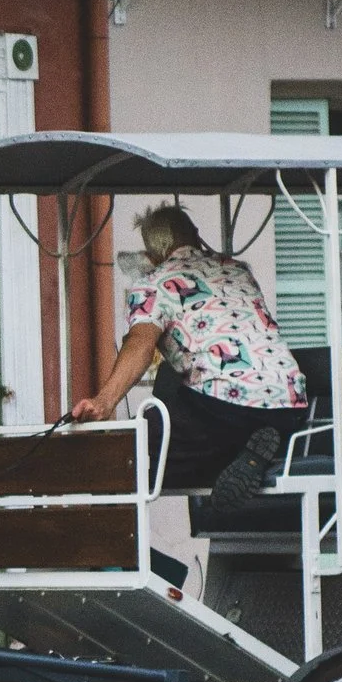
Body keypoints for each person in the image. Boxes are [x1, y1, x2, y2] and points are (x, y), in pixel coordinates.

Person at [69, 203, 307, 518]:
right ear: (194, 235)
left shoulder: (153, 284)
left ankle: (125, 561)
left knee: (124, 457)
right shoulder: (237, 271)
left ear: (153, 254)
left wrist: (104, 402)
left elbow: (140, 343)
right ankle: (252, 452)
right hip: (289, 406)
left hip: (225, 407)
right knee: (191, 408)